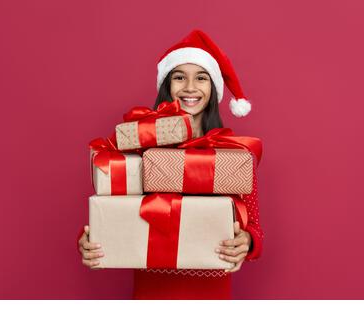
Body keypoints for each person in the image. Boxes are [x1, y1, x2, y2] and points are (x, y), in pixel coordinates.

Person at [77, 29, 263, 299]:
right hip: (153, 291)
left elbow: (255, 226)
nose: (190, 87)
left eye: (201, 77)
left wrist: (248, 242)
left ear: (213, 89)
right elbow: (111, 210)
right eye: (179, 77)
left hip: (210, 293)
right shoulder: (140, 146)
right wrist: (88, 241)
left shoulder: (232, 154)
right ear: (167, 85)